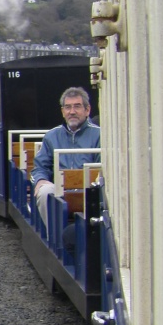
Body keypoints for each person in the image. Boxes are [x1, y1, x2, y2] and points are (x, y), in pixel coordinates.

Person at [30, 87, 101, 225]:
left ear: (87, 110)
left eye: (77, 106)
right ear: (63, 112)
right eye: (67, 107)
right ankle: (55, 241)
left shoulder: (100, 134)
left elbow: (102, 168)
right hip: (60, 191)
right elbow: (40, 167)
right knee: (44, 191)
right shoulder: (51, 136)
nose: (72, 111)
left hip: (90, 191)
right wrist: (41, 179)